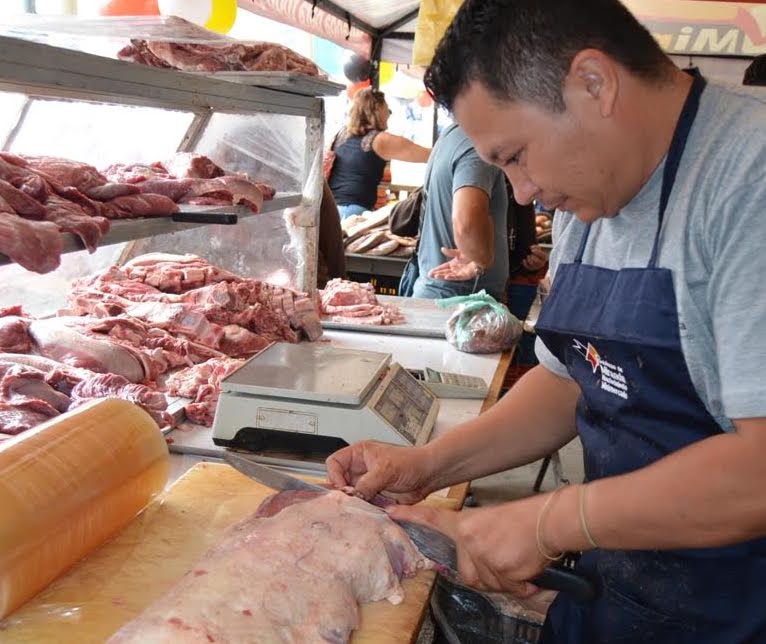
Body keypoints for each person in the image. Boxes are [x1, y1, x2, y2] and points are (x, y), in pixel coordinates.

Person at [325, 1, 766, 642]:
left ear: (594, 84)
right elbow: (568, 383)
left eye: (516, 155)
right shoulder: (587, 203)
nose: (523, 192)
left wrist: (545, 524)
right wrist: (426, 466)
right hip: (627, 590)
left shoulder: (747, 182)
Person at [406, 123, 509, 300]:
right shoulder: (477, 144)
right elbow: (466, 223)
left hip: (444, 295)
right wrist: (480, 261)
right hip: (459, 301)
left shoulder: (452, 135)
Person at [328, 88, 431, 220]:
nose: (388, 114)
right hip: (353, 212)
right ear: (378, 110)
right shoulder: (379, 140)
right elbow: (426, 154)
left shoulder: (340, 135)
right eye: (387, 110)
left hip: (331, 210)